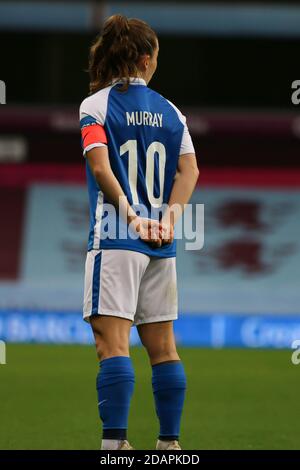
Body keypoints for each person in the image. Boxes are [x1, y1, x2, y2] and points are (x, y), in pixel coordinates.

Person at [79, 14, 199, 450]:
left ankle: (116, 447)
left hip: (116, 236)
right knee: (164, 348)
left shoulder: (95, 106)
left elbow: (99, 166)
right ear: (146, 59)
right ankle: (169, 446)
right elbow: (190, 169)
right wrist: (169, 219)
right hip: (160, 243)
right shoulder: (172, 112)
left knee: (112, 345)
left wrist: (130, 216)